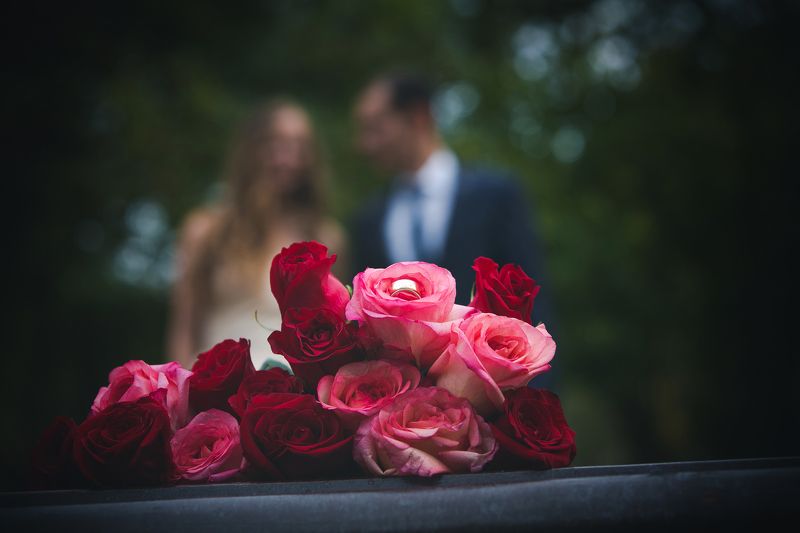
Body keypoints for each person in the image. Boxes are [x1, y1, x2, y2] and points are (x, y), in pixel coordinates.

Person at [350, 71, 550, 324]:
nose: (364, 145)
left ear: (417, 116)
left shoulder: (497, 196)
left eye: (375, 129)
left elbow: (532, 301)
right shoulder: (369, 219)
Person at [167, 99, 346, 370]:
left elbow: (336, 332)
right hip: (215, 387)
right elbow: (183, 329)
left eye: (300, 146)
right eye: (277, 143)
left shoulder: (326, 237)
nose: (289, 157)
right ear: (252, 149)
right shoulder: (205, 230)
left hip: (294, 396)